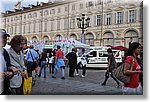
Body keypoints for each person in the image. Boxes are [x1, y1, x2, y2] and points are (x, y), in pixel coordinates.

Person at [0, 29, 14, 95]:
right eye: (2, 37)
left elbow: (8, 66)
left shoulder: (5, 52)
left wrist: (11, 72)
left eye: (5, 37)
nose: (4, 39)